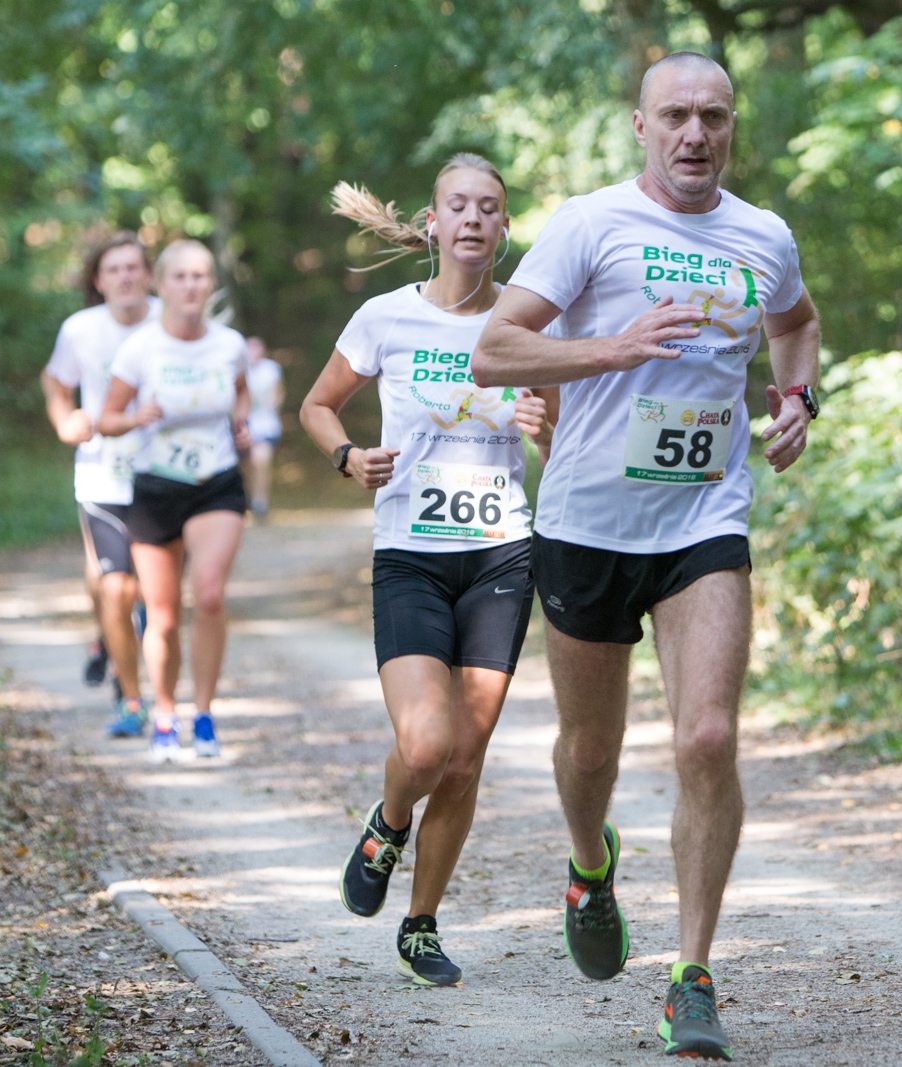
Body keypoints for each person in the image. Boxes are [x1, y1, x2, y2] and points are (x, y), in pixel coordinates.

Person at [474, 53, 821, 1060]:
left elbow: (793, 324)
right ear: (640, 125)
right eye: (675, 114)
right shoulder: (590, 225)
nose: (695, 134)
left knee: (708, 735)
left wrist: (797, 398)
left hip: (702, 522)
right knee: (591, 751)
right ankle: (590, 864)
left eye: (713, 116)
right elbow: (496, 349)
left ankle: (691, 976)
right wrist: (610, 349)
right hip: (585, 523)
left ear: (731, 126)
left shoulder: (762, 235)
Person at [300, 155, 556, 987]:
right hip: (411, 553)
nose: (475, 219)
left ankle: (421, 923)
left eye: (490, 207)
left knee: (467, 758)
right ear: (434, 223)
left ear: (505, 228)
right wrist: (347, 458)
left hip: (501, 556)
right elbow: (317, 403)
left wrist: (539, 423)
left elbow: (558, 444)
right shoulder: (384, 317)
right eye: (460, 206)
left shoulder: (525, 328)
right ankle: (387, 821)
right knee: (427, 741)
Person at [97, 239, 252, 762]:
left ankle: (203, 717)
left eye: (201, 276)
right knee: (162, 615)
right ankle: (164, 714)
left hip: (216, 481)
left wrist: (241, 422)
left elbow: (240, 389)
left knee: (208, 595)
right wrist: (136, 418)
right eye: (181, 277)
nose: (191, 286)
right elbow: (107, 418)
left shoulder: (228, 343)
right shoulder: (140, 349)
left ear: (211, 285)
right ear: (160, 285)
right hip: (156, 485)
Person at [40, 232, 158, 738]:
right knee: (114, 586)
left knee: (152, 596)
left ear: (148, 274)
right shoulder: (80, 330)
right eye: (115, 269)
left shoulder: (172, 321)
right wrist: (65, 421)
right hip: (102, 471)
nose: (126, 276)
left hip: (165, 475)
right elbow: (55, 381)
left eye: (134, 267)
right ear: (98, 279)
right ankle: (131, 698)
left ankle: (116, 646)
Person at [242, 336, 284, 517]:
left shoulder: (271, 369)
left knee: (261, 460)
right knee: (248, 466)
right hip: (244, 425)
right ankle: (249, 498)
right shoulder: (239, 370)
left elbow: (278, 394)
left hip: (266, 425)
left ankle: (260, 502)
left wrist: (272, 403)